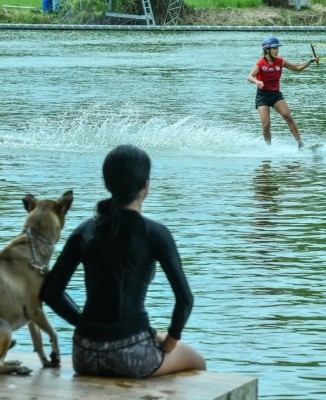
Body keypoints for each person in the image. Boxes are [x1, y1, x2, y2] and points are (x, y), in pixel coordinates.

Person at [40, 144, 206, 378]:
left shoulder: (85, 230)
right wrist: (169, 342)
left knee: (153, 336)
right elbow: (185, 299)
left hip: (83, 355)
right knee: (198, 362)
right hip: (131, 357)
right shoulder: (155, 233)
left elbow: (51, 293)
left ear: (108, 184)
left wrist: (85, 325)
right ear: (145, 185)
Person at [247, 36, 319, 148]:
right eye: (274, 48)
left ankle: (300, 144)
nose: (277, 50)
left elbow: (297, 67)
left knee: (288, 116)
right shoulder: (261, 64)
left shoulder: (281, 61)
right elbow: (249, 76)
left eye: (277, 48)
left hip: (276, 95)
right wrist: (257, 81)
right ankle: (268, 148)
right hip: (263, 96)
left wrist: (310, 61)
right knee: (266, 124)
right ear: (267, 50)